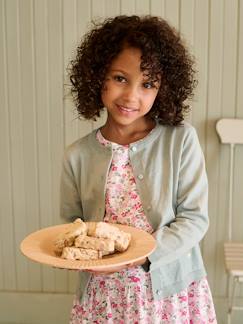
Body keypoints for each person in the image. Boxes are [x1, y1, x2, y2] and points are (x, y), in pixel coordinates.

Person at [60, 15, 217, 323]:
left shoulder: (180, 140)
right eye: (120, 78)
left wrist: (143, 255)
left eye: (147, 84)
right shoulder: (77, 155)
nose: (132, 96)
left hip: (169, 293)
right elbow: (71, 225)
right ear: (98, 76)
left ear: (163, 88)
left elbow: (194, 219)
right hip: (104, 296)